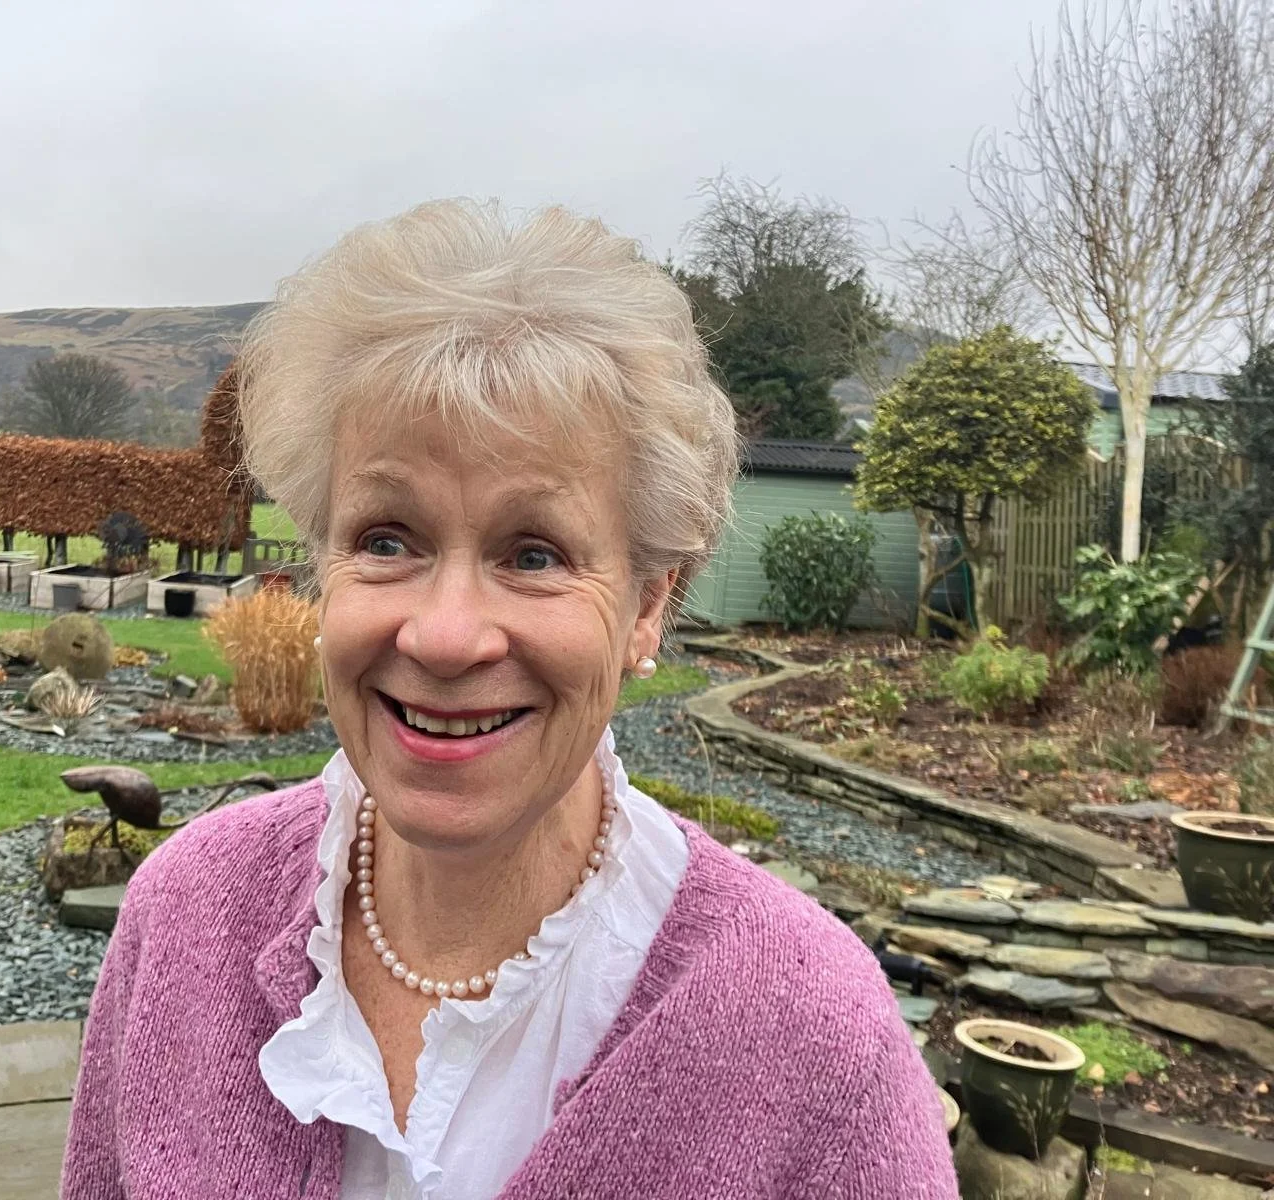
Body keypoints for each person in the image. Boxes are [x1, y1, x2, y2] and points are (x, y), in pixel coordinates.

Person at [61, 200, 958, 1199]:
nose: (444, 636)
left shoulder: (814, 1032)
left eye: (534, 554)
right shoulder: (186, 914)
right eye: (386, 539)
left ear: (648, 606)